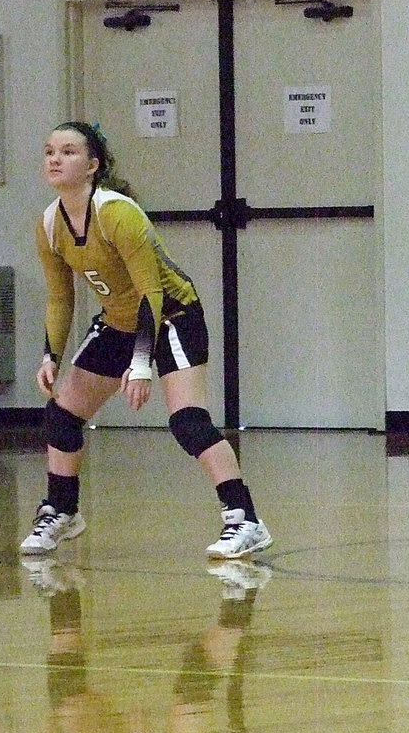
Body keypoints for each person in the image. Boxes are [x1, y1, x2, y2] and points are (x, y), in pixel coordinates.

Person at [21, 121, 272, 559]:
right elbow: (60, 297)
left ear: (93, 165)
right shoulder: (48, 224)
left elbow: (151, 292)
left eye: (68, 152)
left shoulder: (116, 212)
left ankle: (244, 518)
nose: (55, 159)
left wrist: (140, 365)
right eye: (49, 152)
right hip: (118, 320)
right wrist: (50, 355)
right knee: (61, 415)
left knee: (188, 422)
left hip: (172, 315)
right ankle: (61, 510)